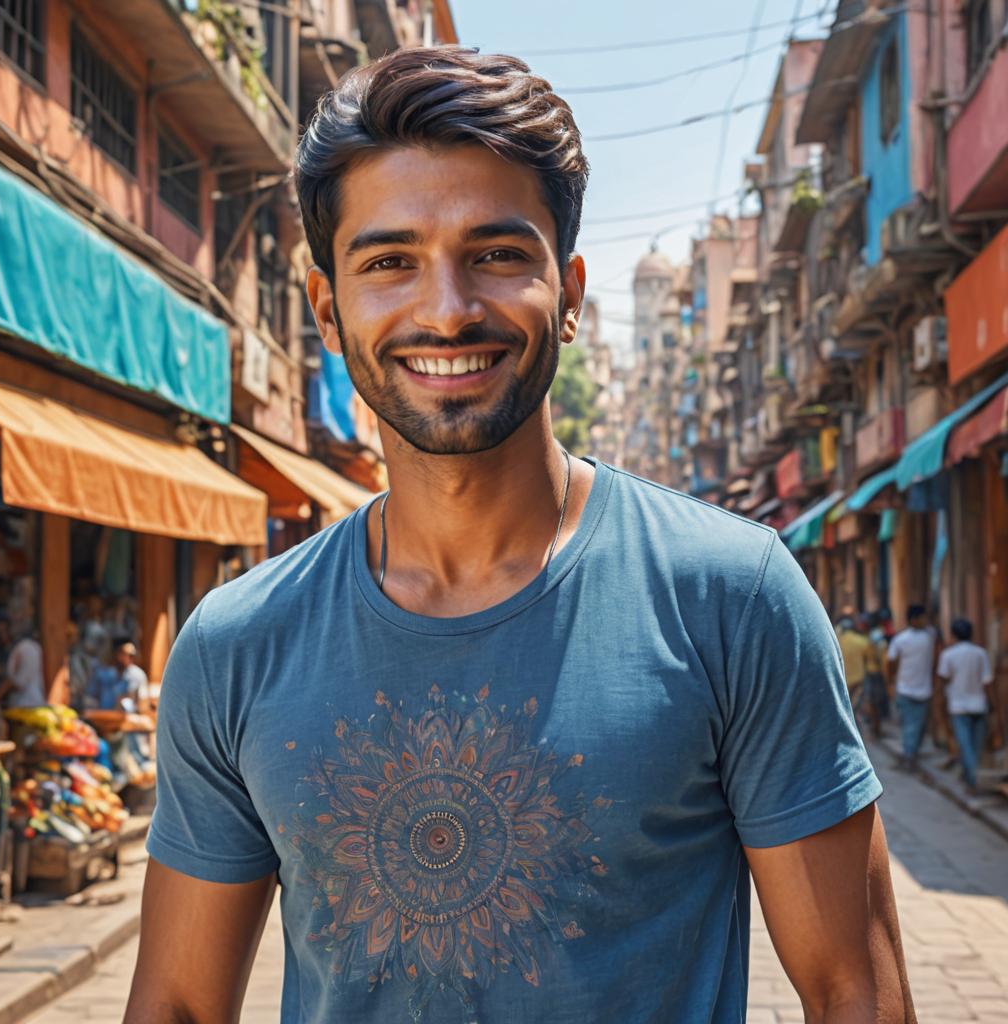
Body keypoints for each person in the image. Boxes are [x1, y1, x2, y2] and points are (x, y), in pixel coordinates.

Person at [127, 48, 914, 1023]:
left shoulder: (730, 596)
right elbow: (176, 1006)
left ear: (571, 291)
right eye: (389, 263)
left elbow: (858, 991)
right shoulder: (234, 644)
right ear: (328, 308)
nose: (447, 309)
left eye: (497, 254)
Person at [937, 618, 1000, 793]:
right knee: (974, 746)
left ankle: (972, 781)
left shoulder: (948, 654)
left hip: (958, 707)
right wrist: (993, 704)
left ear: (954, 635)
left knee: (965, 746)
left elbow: (943, 679)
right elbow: (987, 682)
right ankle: (969, 777)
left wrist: (941, 704)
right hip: (979, 705)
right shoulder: (980, 653)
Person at [887, 604, 938, 772]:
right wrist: (892, 682)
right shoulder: (904, 639)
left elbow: (891, 663)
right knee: (911, 726)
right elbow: (891, 663)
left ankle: (910, 756)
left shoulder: (929, 635)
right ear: (913, 620)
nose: (925, 621)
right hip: (906, 688)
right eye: (922, 617)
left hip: (920, 689)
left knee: (916, 726)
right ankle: (909, 758)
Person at [86, 640, 148, 712]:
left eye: (132, 656)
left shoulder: (138, 675)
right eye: (125, 654)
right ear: (116, 654)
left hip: (127, 719)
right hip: (102, 717)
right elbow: (91, 696)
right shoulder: (103, 674)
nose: (129, 658)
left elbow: (143, 702)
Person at [836, 610, 873, 718]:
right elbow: (870, 663)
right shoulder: (862, 641)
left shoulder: (836, 641)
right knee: (855, 710)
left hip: (841, 682)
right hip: (858, 682)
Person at [5, 628, 46, 709]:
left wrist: (3, 688)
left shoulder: (24, 648)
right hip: (34, 699)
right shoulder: (35, 647)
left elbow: (20, 683)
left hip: (25, 703)